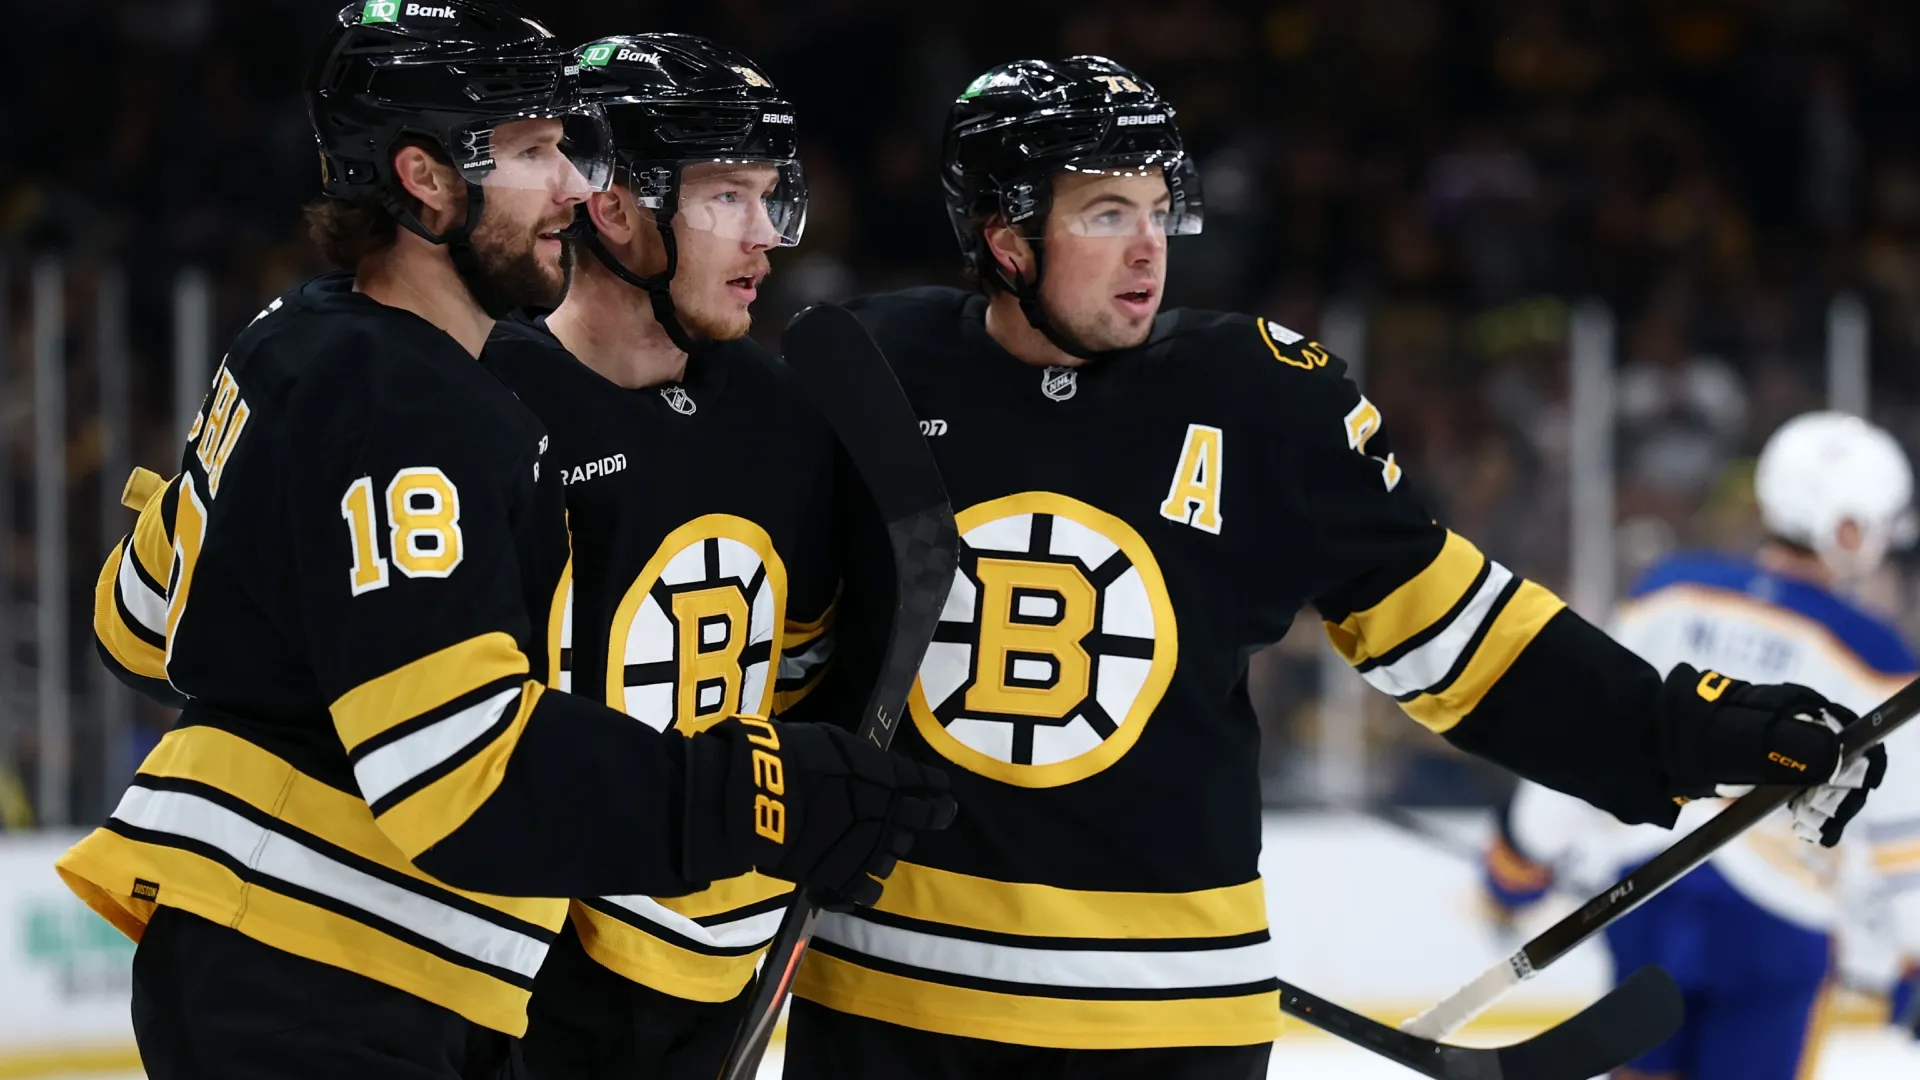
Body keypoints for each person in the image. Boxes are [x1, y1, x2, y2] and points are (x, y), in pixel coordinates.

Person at [782, 57, 1887, 1080]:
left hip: (1167, 1025)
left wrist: (1691, 731)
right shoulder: (867, 372)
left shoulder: (1261, 400)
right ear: (1006, 236)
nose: (1149, 248)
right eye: (1106, 213)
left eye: (1160, 211)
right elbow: (768, 643)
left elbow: (1465, 640)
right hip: (887, 1004)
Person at [58, 5, 951, 1078]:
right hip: (329, 959)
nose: (574, 186)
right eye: (533, 152)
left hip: (297, 950)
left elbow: (138, 626)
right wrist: (761, 795)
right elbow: (460, 769)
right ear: (427, 180)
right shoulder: (421, 404)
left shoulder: (297, 334)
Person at [480, 34, 843, 1080]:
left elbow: (804, 669)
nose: (766, 235)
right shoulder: (495, 399)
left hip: (724, 956)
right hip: (534, 957)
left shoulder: (780, 410)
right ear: (613, 208)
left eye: (770, 196)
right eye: (727, 196)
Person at [1484, 410, 1920, 1080]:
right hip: (1777, 928)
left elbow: (1587, 731)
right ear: (1847, 528)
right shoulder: (1876, 653)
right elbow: (1903, 840)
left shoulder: (1671, 590)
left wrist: (1522, 854)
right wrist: (1913, 959)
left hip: (1648, 891)